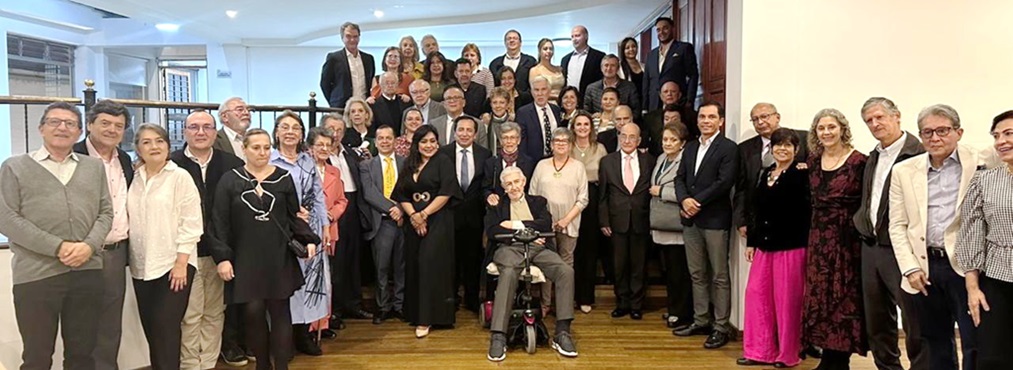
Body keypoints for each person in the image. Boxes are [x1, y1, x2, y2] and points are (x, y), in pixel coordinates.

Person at [0, 101, 112, 370]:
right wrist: (58, 247)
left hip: (88, 272)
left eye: (70, 123)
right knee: (37, 356)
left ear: (78, 132)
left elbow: (106, 213)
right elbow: (6, 217)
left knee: (82, 355)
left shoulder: (93, 167)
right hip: (37, 275)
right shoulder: (15, 166)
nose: (62, 127)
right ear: (41, 128)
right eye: (54, 122)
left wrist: (88, 246)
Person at [211, 128, 321, 370]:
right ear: (244, 149)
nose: (262, 152)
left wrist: (309, 239)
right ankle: (262, 365)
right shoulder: (230, 180)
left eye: (266, 147)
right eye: (256, 147)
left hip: (278, 255)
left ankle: (281, 366)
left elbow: (293, 217)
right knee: (253, 312)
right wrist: (223, 258)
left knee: (281, 312)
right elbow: (219, 221)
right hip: (245, 257)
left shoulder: (283, 178)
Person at [891, 105, 978, 370]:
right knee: (933, 340)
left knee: (975, 338)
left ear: (958, 132)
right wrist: (910, 267)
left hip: (966, 267)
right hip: (924, 267)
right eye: (927, 132)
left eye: (943, 130)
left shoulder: (979, 161)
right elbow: (897, 224)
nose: (935, 138)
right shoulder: (904, 171)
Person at [853, 97, 928, 370]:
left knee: (914, 317)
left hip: (902, 248)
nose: (875, 124)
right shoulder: (873, 156)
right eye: (869, 121)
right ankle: (887, 367)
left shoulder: (917, 152)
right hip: (871, 246)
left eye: (879, 117)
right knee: (877, 319)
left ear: (896, 116)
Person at [172, 110, 245, 369]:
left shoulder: (231, 164)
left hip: (220, 253)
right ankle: (191, 365)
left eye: (206, 127)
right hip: (183, 254)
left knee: (215, 313)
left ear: (215, 132)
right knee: (190, 315)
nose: (200, 132)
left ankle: (209, 362)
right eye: (194, 127)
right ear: (184, 132)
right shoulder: (172, 164)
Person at [127, 123, 202, 370]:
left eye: (159, 140)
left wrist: (181, 263)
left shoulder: (179, 176)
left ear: (168, 145)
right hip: (141, 265)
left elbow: (192, 223)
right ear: (138, 149)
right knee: (151, 329)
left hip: (174, 265)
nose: (154, 146)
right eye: (146, 142)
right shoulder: (135, 177)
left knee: (166, 328)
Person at [486, 167, 578, 362]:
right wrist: (525, 233)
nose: (513, 187)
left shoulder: (538, 201)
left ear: (524, 181)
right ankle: (499, 335)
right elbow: (493, 230)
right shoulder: (497, 204)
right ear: (503, 187)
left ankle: (562, 332)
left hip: (538, 248)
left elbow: (545, 224)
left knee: (565, 271)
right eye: (508, 184)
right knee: (509, 272)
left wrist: (514, 224)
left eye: (516, 182)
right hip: (509, 248)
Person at [737, 128, 811, 368]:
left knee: (787, 301)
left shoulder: (802, 175)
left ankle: (788, 354)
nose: (782, 149)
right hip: (764, 247)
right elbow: (756, 211)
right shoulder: (766, 172)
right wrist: (752, 242)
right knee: (757, 296)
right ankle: (759, 350)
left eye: (787, 145)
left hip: (791, 247)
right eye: (778, 145)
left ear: (796, 150)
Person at [802, 108, 869, 369]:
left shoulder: (859, 162)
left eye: (831, 127)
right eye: (821, 128)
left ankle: (840, 360)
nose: (827, 132)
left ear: (842, 129)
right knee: (822, 297)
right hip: (819, 239)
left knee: (845, 297)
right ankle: (828, 356)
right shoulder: (813, 161)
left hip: (847, 240)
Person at [71, 100, 132, 370]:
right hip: (80, 252)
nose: (112, 130)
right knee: (79, 323)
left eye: (119, 126)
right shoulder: (72, 156)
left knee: (110, 324)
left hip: (116, 253)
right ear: (89, 125)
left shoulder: (125, 159)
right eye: (105, 123)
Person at [673, 102, 738, 349]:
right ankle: (701, 320)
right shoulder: (690, 147)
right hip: (690, 219)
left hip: (714, 219)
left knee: (719, 275)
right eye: (702, 117)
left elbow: (724, 182)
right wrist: (683, 199)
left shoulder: (728, 148)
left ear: (720, 121)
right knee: (697, 273)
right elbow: (680, 178)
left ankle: (720, 326)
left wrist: (696, 201)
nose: (706, 121)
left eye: (712, 117)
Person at [269, 111, 331, 356]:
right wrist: (292, 215)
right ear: (277, 132)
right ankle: (284, 339)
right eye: (285, 127)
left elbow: (317, 195)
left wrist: (325, 226)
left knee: (309, 284)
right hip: (282, 231)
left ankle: (303, 334)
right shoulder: (270, 161)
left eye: (295, 127)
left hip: (311, 232)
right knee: (286, 284)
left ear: (302, 134)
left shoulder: (307, 160)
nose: (290, 131)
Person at [392, 125, 463, 338]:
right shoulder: (409, 163)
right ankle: (416, 313)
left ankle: (429, 318)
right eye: (424, 141)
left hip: (438, 221)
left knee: (429, 264)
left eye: (433, 141)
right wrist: (413, 215)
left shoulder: (443, 162)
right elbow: (401, 194)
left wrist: (424, 215)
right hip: (413, 224)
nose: (429, 145)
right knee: (415, 265)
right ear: (417, 144)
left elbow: (447, 193)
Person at [956, 110, 1013, 369]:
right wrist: (972, 287)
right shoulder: (984, 180)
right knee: (993, 357)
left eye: (1009, 134)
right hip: (997, 280)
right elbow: (971, 234)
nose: (1001, 141)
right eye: (996, 136)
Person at [600, 123, 657, 321]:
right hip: (617, 221)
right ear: (618, 137)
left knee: (639, 265)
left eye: (632, 137)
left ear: (639, 140)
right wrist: (604, 220)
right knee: (619, 265)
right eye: (623, 136)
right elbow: (603, 195)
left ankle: (636, 305)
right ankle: (622, 303)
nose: (627, 140)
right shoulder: (607, 161)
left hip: (642, 220)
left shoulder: (649, 160)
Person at [529, 127, 589, 316]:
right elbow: (532, 195)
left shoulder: (578, 167)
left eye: (565, 141)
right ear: (552, 145)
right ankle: (545, 304)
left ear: (571, 145)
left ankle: (564, 306)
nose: (561, 144)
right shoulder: (542, 165)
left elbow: (583, 199)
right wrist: (543, 222)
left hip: (569, 223)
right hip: (545, 227)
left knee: (565, 265)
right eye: (557, 141)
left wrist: (565, 220)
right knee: (546, 265)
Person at [322, 114, 373, 322]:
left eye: (339, 130)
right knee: (336, 261)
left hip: (353, 208)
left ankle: (354, 304)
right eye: (331, 129)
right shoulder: (319, 156)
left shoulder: (350, 154)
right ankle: (333, 310)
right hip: (332, 210)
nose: (335, 134)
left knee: (353, 258)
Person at [439, 116, 493, 313]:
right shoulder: (443, 153)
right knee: (450, 259)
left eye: (469, 130)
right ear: (454, 132)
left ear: (475, 134)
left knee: (473, 259)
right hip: (448, 215)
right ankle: (450, 299)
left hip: (474, 216)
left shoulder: (485, 154)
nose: (464, 133)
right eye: (460, 130)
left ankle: (471, 298)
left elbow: (485, 185)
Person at [734, 103, 809, 239]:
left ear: (777, 117)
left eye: (764, 116)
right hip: (759, 220)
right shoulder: (745, 149)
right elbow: (742, 188)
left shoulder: (803, 139)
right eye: (755, 119)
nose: (760, 122)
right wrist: (741, 221)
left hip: (795, 220)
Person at [648, 123, 693, 330]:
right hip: (661, 224)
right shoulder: (661, 158)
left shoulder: (686, 161)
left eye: (673, 140)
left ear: (682, 143)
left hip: (677, 225)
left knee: (680, 273)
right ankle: (673, 307)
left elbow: (688, 192)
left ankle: (682, 312)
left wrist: (662, 192)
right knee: (669, 272)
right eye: (665, 139)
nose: (668, 143)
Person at [360, 125, 406, 324]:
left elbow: (409, 189)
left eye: (389, 138)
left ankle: (400, 305)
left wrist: (402, 209)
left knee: (401, 266)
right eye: (381, 138)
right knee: (382, 268)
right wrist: (392, 209)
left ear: (395, 140)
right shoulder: (367, 165)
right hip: (382, 222)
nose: (385, 141)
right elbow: (369, 193)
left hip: (404, 221)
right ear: (376, 141)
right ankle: (383, 307)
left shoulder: (405, 163)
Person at [307, 126, 348, 339]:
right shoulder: (302, 170)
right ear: (310, 148)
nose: (324, 148)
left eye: (327, 145)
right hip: (309, 232)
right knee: (309, 281)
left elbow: (342, 200)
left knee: (327, 280)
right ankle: (308, 327)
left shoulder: (335, 171)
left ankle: (323, 323)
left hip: (329, 231)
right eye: (319, 145)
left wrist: (332, 214)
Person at [570, 112, 609, 313]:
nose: (583, 127)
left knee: (589, 250)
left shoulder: (599, 148)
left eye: (586, 124)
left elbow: (604, 179)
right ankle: (570, 296)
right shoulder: (567, 147)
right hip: (572, 200)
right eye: (579, 124)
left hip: (593, 201)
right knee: (572, 250)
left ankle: (586, 297)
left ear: (591, 128)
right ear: (573, 127)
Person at [643, 17, 698, 110]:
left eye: (665, 28)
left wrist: (689, 100)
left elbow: (693, 75)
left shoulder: (684, 48)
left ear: (672, 28)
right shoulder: (651, 55)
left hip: (678, 102)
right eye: (658, 30)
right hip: (654, 104)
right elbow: (646, 82)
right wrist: (644, 107)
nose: (661, 32)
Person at [320, 22, 375, 108]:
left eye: (355, 36)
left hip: (364, 107)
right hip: (341, 107)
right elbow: (324, 83)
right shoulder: (334, 58)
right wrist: (334, 101)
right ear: (342, 38)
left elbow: (371, 82)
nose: (352, 40)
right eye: (348, 36)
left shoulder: (368, 59)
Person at [483, 121, 536, 204]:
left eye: (512, 138)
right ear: (500, 141)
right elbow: (485, 188)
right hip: (499, 208)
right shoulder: (491, 163)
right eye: (505, 138)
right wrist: (489, 195)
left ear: (518, 140)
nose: (509, 141)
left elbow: (531, 189)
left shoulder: (528, 162)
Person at [643, 82, 699, 153]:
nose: (669, 94)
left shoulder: (690, 115)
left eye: (673, 91)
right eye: (666, 91)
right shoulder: (650, 117)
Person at [518, 76, 563, 160]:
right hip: (533, 162)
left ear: (549, 91)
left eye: (543, 89)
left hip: (556, 159)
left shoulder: (556, 110)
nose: (540, 93)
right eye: (536, 90)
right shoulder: (523, 113)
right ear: (532, 92)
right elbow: (522, 144)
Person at [561, 25, 606, 93]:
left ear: (586, 36)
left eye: (577, 36)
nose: (574, 39)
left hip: (590, 98)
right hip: (569, 99)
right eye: (572, 37)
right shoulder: (565, 59)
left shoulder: (599, 56)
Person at [481, 87, 519, 151]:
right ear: (490, 104)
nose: (498, 106)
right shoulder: (485, 122)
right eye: (494, 102)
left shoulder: (515, 121)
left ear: (507, 105)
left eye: (502, 102)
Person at [214, 96, 251, 162]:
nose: (246, 113)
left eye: (248, 110)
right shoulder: (214, 140)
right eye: (240, 110)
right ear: (225, 117)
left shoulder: (253, 138)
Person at [528, 38, 566, 103]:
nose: (548, 51)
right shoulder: (534, 70)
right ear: (539, 51)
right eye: (545, 49)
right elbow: (535, 93)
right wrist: (558, 97)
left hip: (563, 104)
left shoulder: (559, 69)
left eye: (551, 49)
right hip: (545, 104)